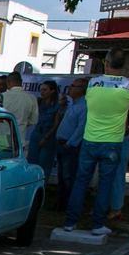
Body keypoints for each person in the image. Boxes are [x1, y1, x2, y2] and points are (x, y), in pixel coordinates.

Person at [63, 48, 129, 235]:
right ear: (123, 64)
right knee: (105, 183)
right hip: (113, 141)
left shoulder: (94, 83)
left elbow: (90, 103)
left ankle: (70, 222)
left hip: (90, 139)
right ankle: (97, 225)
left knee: (81, 181)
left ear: (106, 62)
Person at [53, 77, 88, 210]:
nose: (70, 88)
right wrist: (62, 106)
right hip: (62, 144)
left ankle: (70, 205)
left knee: (69, 177)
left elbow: (81, 127)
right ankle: (61, 203)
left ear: (81, 89)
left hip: (70, 147)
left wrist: (70, 143)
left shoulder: (84, 106)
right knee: (61, 176)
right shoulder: (73, 104)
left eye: (73, 86)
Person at [27, 80, 62, 180]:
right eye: (41, 90)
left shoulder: (57, 106)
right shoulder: (38, 103)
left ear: (52, 91)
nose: (42, 92)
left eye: (45, 90)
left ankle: (42, 186)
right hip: (36, 133)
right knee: (32, 162)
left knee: (44, 164)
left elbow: (56, 124)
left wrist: (46, 137)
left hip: (49, 136)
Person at [0, 73, 39, 140]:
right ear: (21, 82)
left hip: (2, 137)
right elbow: (33, 121)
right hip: (19, 138)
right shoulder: (32, 98)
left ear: (8, 82)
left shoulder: (1, 96)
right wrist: (22, 121)